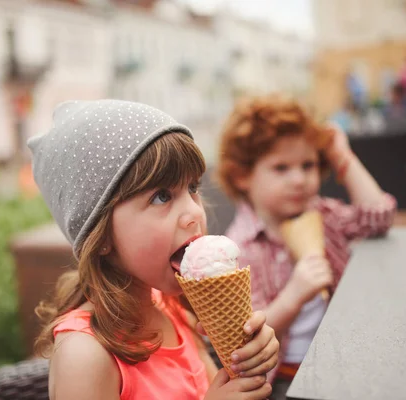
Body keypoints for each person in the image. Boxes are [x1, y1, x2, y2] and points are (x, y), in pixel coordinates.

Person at [29, 99, 279, 400]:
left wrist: (248, 362)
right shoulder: (85, 355)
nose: (194, 213)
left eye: (192, 188)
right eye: (162, 197)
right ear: (101, 233)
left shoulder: (171, 309)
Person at [216, 95, 397, 399]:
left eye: (308, 165)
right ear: (242, 175)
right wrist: (294, 296)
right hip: (285, 380)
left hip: (346, 359)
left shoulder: (322, 214)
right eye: (281, 168)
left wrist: (343, 158)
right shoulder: (238, 249)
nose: (299, 179)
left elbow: (379, 216)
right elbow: (242, 341)